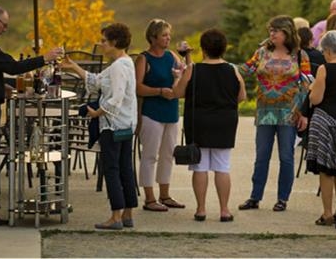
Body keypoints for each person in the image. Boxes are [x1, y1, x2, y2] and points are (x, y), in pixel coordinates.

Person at [0, 6, 62, 226]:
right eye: (4, 25)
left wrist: (1, 86)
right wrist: (44, 58)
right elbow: (12, 67)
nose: (5, 30)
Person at [61, 23, 138, 229]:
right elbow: (97, 81)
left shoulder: (118, 67)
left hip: (113, 125)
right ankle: (128, 213)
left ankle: (115, 216)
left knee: (111, 169)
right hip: (126, 125)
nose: (100, 44)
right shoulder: (125, 63)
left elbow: (116, 98)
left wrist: (97, 112)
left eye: (104, 40)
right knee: (125, 168)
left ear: (114, 43)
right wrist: (74, 67)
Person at [171, 29, 246, 223]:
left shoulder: (192, 70)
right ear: (223, 49)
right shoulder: (233, 70)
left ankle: (201, 209)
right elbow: (242, 96)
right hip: (225, 123)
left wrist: (177, 77)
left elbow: (178, 93)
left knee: (200, 167)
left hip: (199, 124)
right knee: (222, 167)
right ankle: (224, 210)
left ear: (203, 49)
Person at [238, 15, 311, 213]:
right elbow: (244, 70)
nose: (272, 34)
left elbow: (306, 85)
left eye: (275, 31)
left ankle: (282, 199)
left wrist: (304, 114)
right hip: (264, 112)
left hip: (289, 113)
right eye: (270, 30)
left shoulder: (300, 55)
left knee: (286, 156)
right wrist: (219, 66)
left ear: (287, 32)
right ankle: (255, 196)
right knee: (261, 155)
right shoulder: (261, 53)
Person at [297, 30, 336, 226]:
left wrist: (311, 88)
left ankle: (327, 213)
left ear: (327, 50)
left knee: (326, 170)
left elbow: (316, 99)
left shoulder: (324, 69)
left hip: (325, 119)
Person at [136, 19, 186, 211]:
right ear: (153, 37)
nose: (168, 38)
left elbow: (184, 74)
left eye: (168, 34)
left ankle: (165, 195)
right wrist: (159, 91)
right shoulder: (143, 59)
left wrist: (179, 78)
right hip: (151, 113)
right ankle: (149, 199)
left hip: (171, 112)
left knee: (167, 155)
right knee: (149, 155)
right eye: (164, 35)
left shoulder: (172, 56)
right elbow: (137, 87)